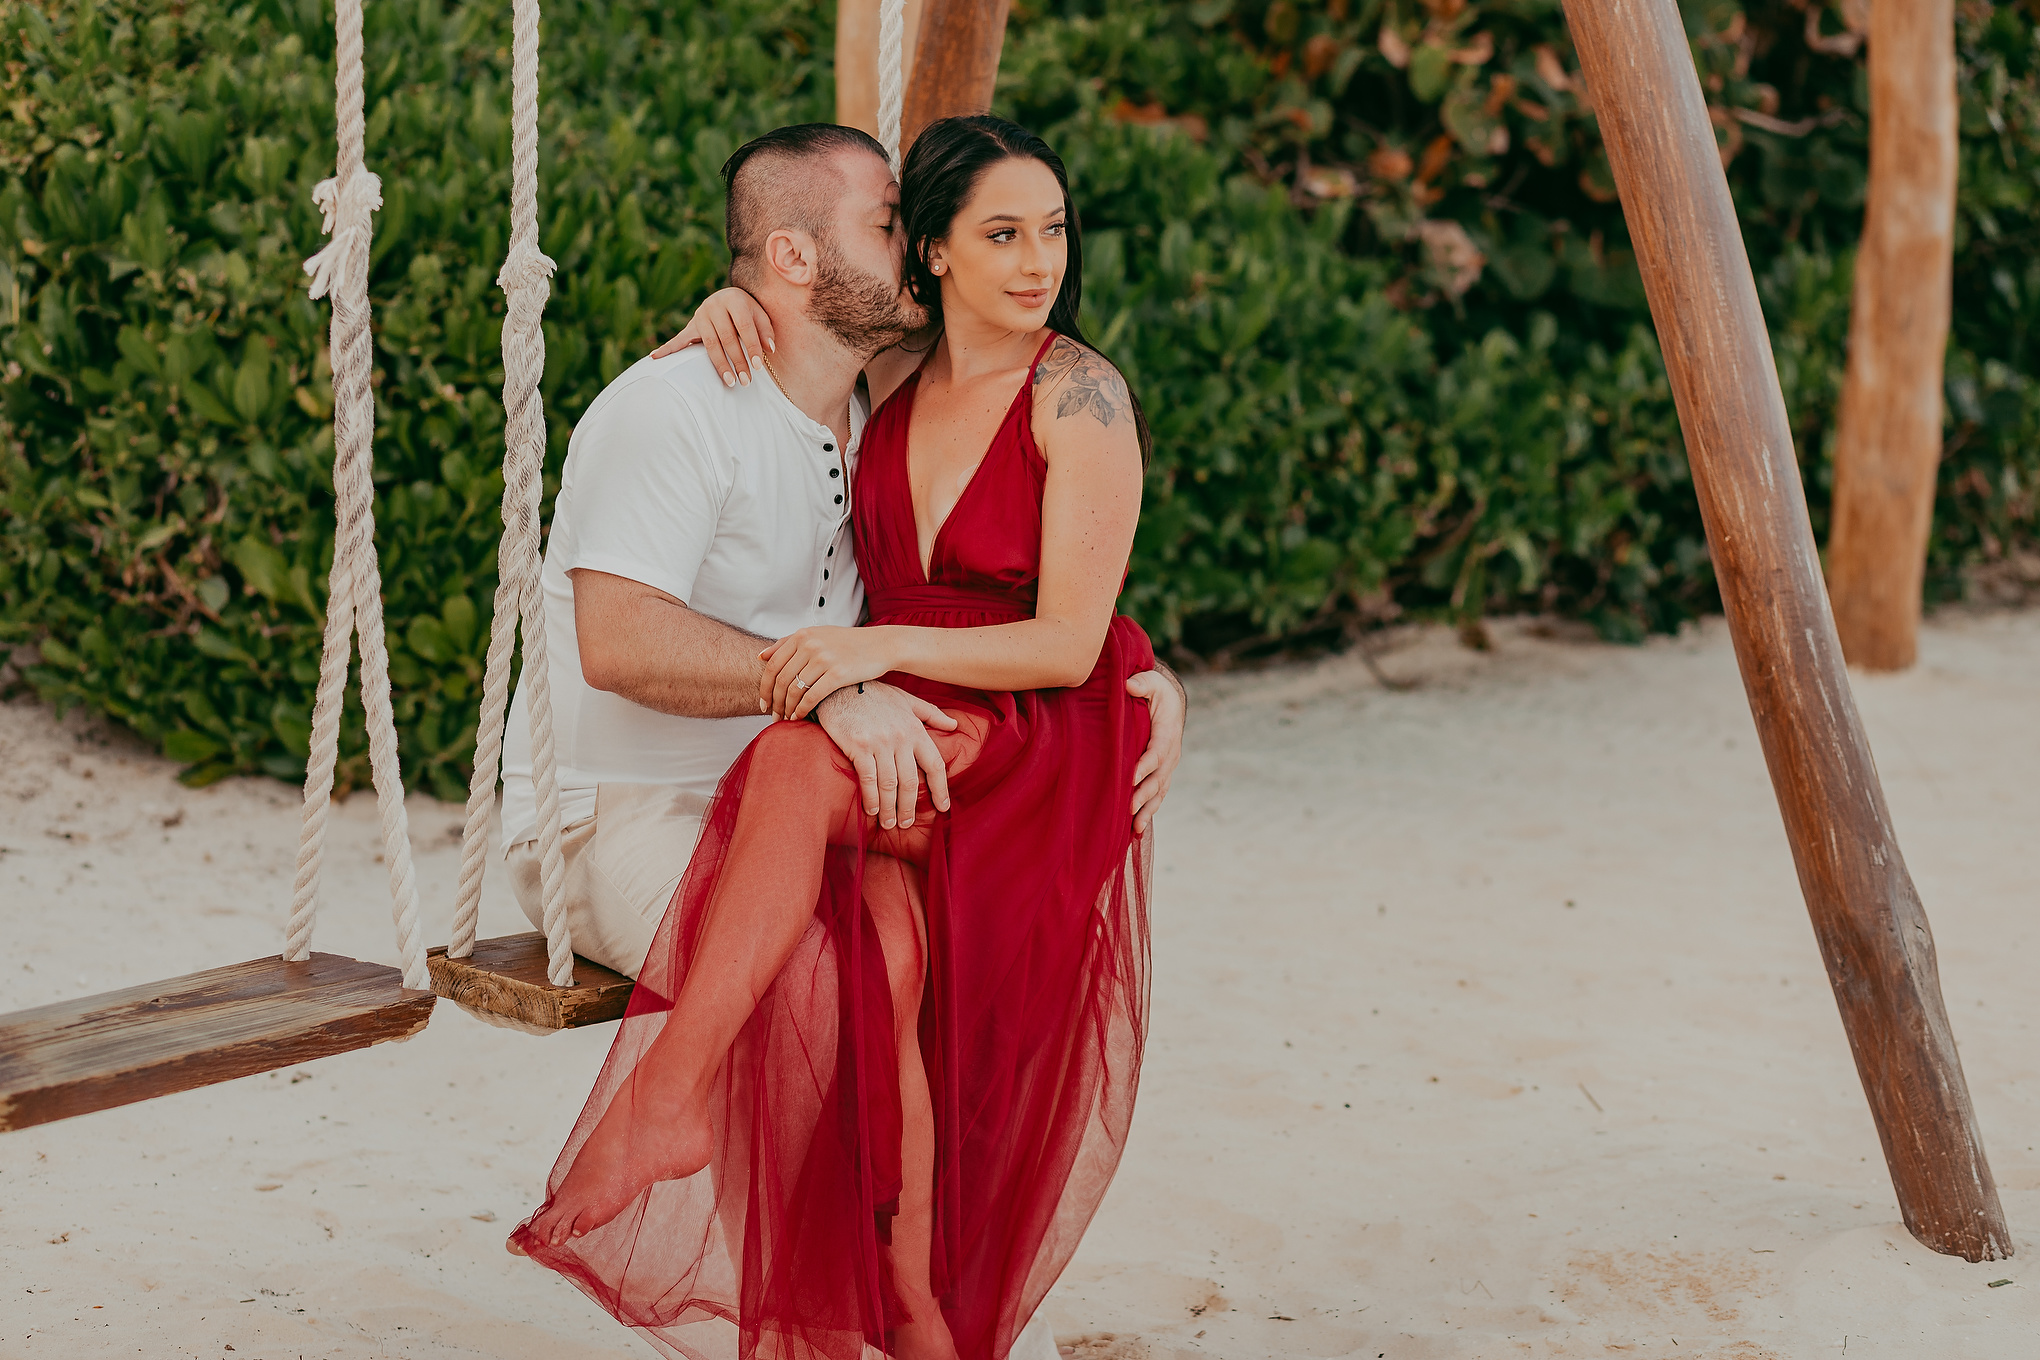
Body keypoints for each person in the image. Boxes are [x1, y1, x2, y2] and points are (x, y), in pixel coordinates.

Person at [508, 116, 1168, 1360]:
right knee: (855, 965)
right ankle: (856, 1323)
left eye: (1053, 231)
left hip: (924, 754)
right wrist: (728, 300)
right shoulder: (787, 393)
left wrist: (1143, 672)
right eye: (983, 235)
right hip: (749, 784)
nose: (1031, 261)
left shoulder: (991, 388)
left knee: (850, 861)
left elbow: (1056, 611)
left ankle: (750, 1172)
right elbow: (627, 626)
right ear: (826, 259)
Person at [495, 121, 1183, 984]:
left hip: (812, 797)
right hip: (621, 810)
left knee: (916, 962)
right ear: (793, 257)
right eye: (889, 225)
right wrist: (833, 693)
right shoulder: (672, 409)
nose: (914, 245)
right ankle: (670, 1116)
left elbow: (1024, 586)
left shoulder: (878, 405)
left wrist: (1134, 686)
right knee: (819, 988)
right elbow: (619, 641)